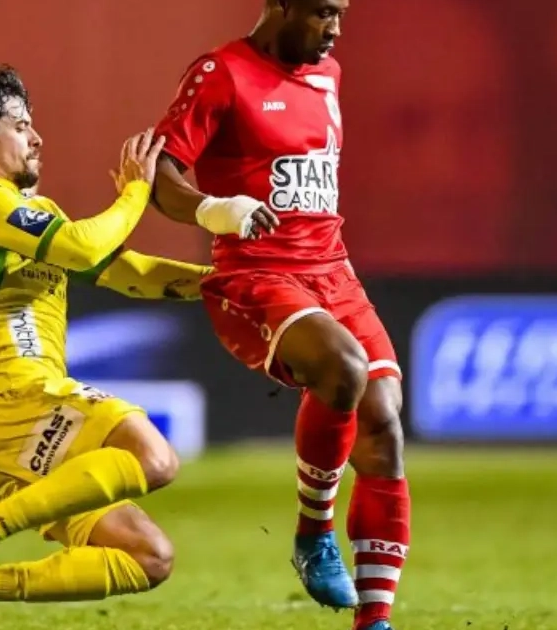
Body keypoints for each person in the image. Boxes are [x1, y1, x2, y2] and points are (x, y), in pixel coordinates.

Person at [0, 64, 209, 630]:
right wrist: (136, 191)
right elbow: (80, 247)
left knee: (148, 557)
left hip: (15, 419)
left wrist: (223, 282)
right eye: (21, 126)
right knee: (153, 457)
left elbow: (130, 273)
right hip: (13, 397)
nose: (37, 138)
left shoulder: (26, 215)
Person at [151, 2, 409, 629]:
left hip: (334, 271)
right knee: (344, 369)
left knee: (383, 420)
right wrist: (214, 208)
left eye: (341, 13)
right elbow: (159, 174)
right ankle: (314, 531)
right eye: (322, 12)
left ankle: (375, 622)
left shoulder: (328, 75)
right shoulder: (221, 73)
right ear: (282, 5)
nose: (335, 28)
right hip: (256, 274)